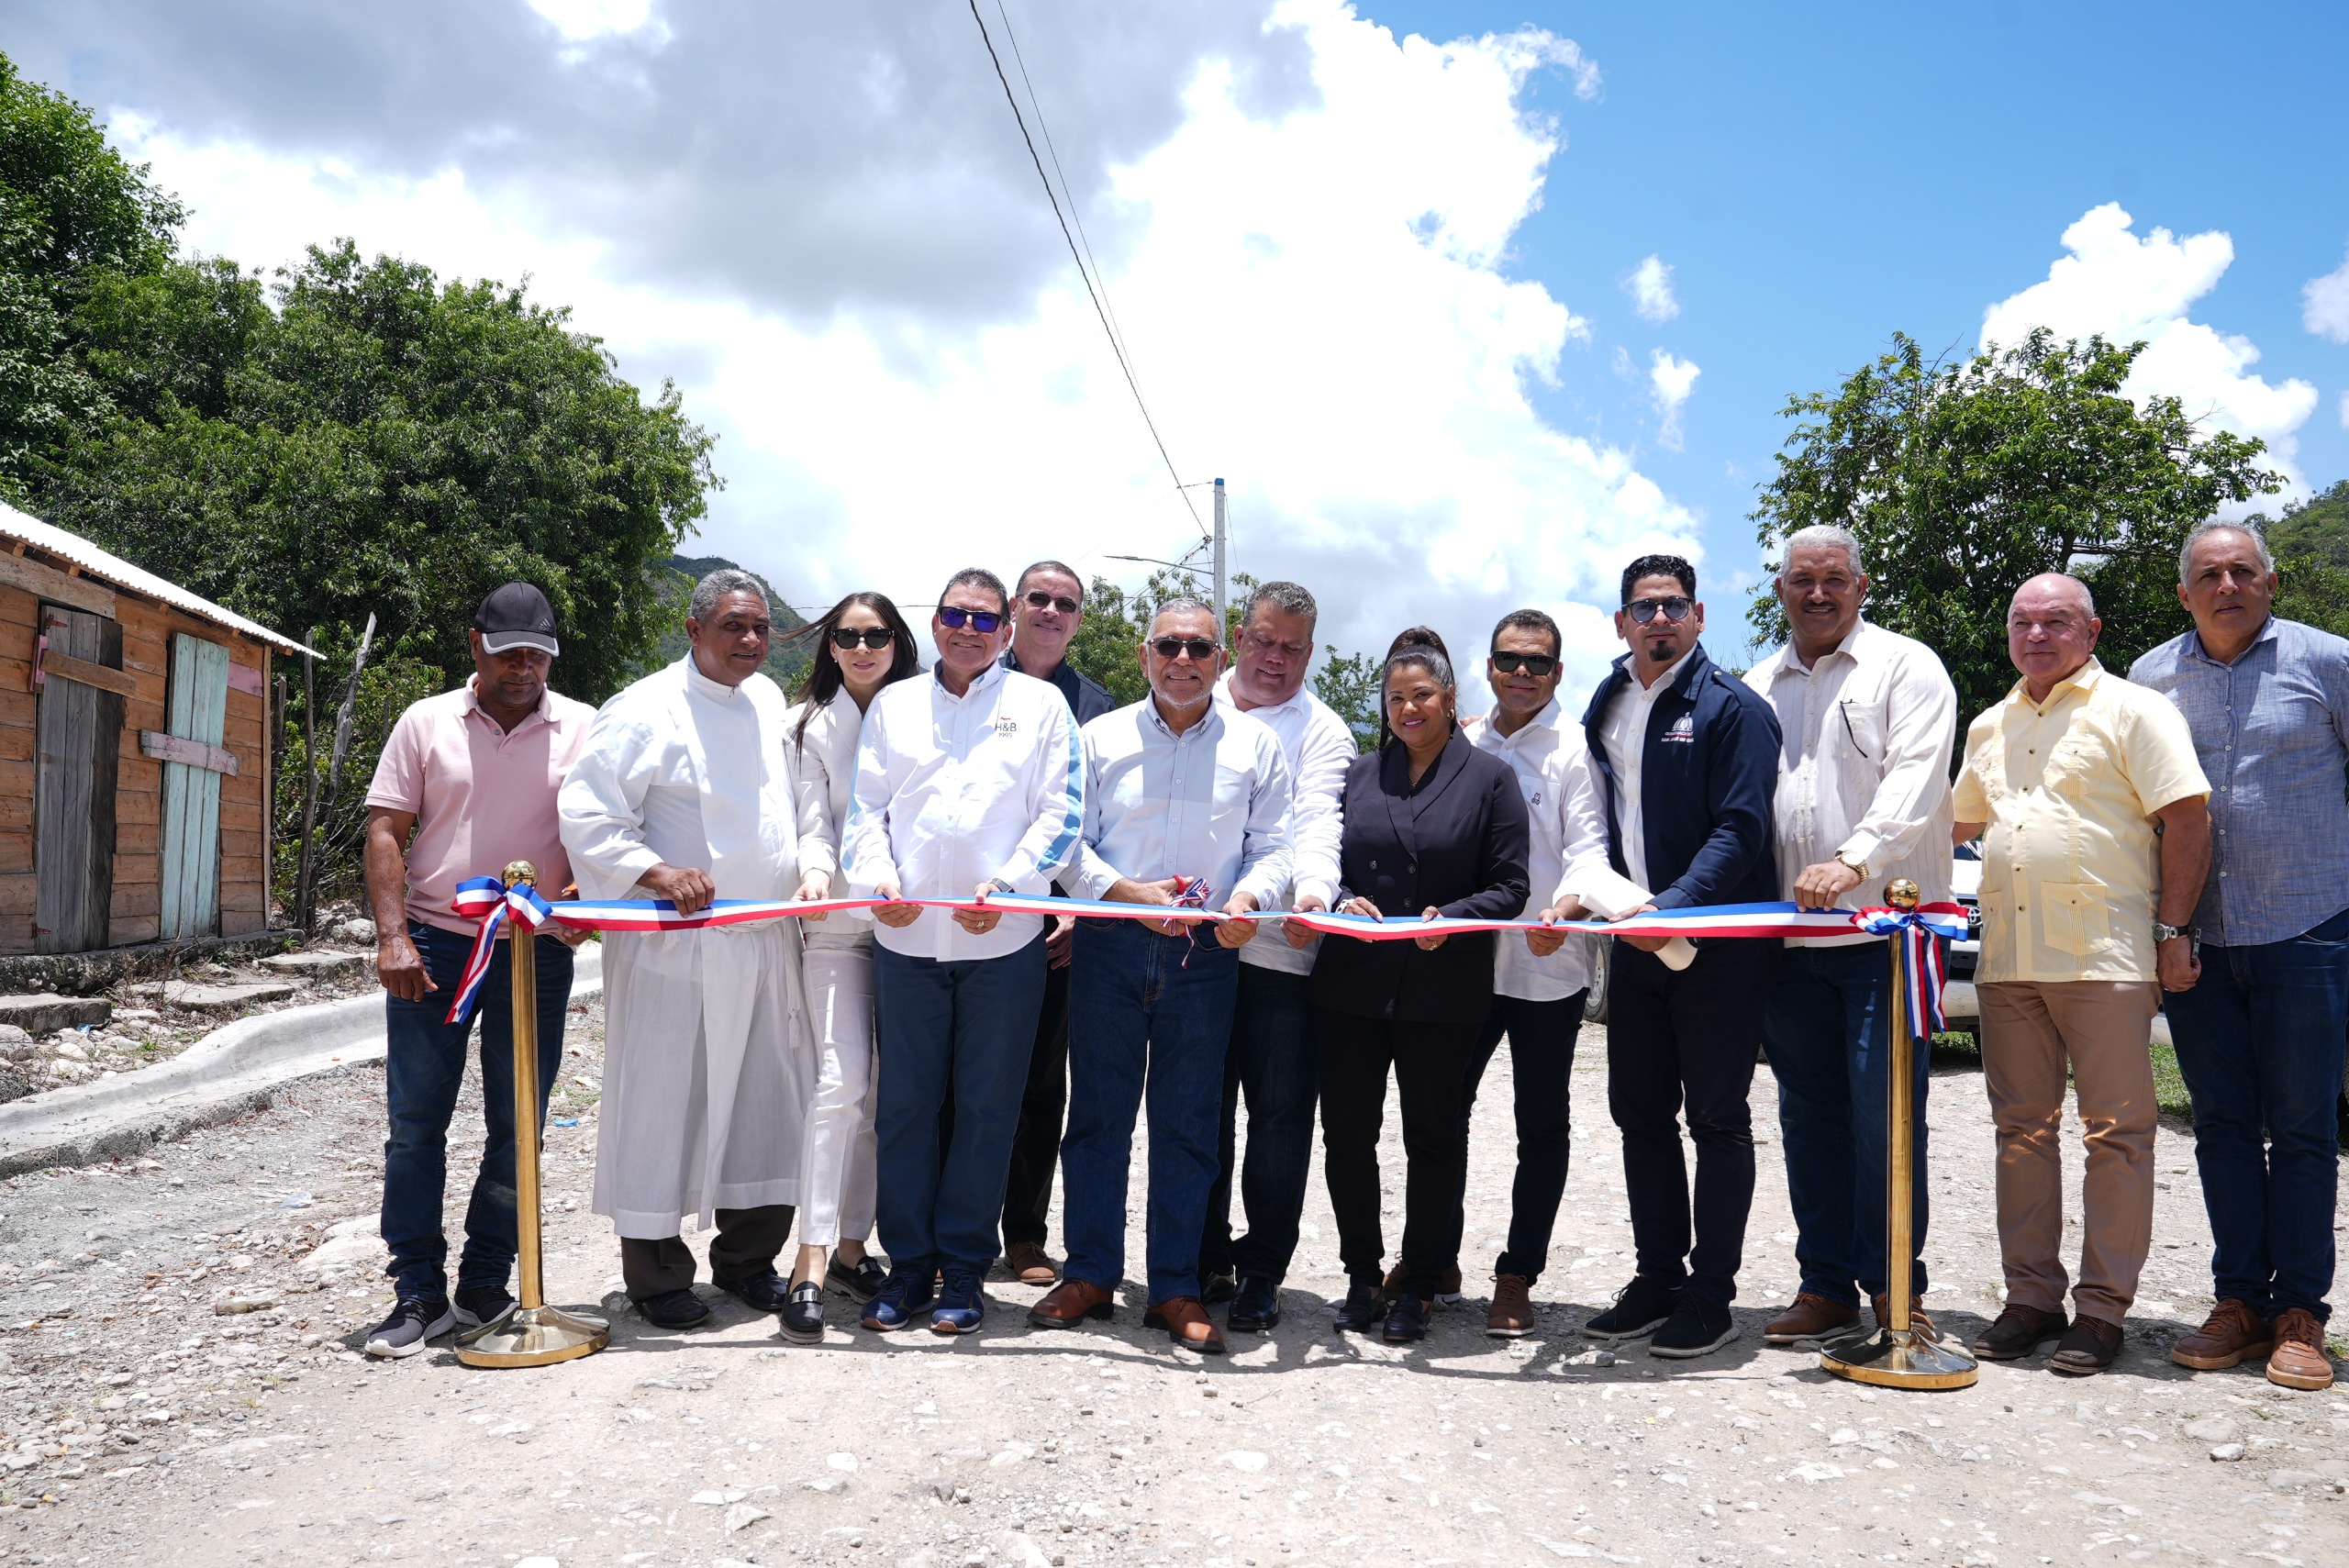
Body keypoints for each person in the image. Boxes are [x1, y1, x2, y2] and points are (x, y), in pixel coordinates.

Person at [1953, 573, 2210, 1376]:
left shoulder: (2135, 710)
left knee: (2118, 1135)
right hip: (2009, 963)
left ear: (2091, 631)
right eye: (2023, 622)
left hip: (2104, 957)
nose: (2037, 635)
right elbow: (1956, 823)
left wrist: (2174, 932)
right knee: (2020, 1133)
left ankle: (2101, 1310)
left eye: (2056, 621)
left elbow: (2188, 817)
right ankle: (2031, 1298)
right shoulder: (1988, 725)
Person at [1029, 601, 1292, 1352]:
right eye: (1169, 645)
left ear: (1221, 657)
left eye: (1199, 647)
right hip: (1109, 946)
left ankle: (1174, 1285)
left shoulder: (1257, 743)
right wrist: (1126, 896)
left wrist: (1250, 897)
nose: (1184, 658)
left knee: (1188, 1126)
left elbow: (1275, 846)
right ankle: (1090, 1272)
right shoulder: (1098, 737)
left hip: (1205, 956)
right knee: (1097, 1118)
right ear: (1145, 655)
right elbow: (1065, 842)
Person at [559, 569, 818, 1331]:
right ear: (693, 627)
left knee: (768, 1101)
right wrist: (658, 871)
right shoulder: (643, 708)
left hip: (764, 942)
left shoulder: (770, 701)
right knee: (664, 1102)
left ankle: (747, 1260)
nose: (750, 641)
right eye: (734, 626)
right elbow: (589, 811)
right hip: (676, 948)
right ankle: (658, 1272)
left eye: (761, 628)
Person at [2130, 522, 2349, 1392]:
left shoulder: (2328, 662)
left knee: (2302, 1127)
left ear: (2271, 581)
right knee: (2219, 1125)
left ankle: (2301, 1313)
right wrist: (2160, 930)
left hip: (2312, 928)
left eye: (2242, 571)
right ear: (2184, 592)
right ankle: (2239, 1303)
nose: (2227, 585)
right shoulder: (2150, 678)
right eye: (2209, 574)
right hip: (2198, 939)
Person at [841, 567, 1084, 1334]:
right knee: (906, 1108)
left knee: (986, 1110)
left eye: (984, 619)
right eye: (955, 614)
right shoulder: (896, 704)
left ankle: (966, 1271)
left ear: (1006, 630)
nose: (968, 629)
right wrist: (879, 880)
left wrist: (1013, 886)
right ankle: (909, 1265)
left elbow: (1063, 814)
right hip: (907, 939)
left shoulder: (1041, 707)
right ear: (936, 620)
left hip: (1003, 946)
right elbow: (865, 813)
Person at [358, 582, 596, 1356]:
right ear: (476, 647)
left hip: (536, 948)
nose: (524, 667)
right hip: (434, 944)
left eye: (539, 654)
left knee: (518, 1120)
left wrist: (591, 894)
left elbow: (610, 826)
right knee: (416, 1123)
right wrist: (392, 936)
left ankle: (488, 1282)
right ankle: (417, 1291)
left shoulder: (587, 729)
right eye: (509, 653)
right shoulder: (425, 722)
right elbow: (386, 830)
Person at [1743, 526, 1959, 1347]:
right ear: (1780, 592)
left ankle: (1897, 1289)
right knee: (1808, 1115)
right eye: (1803, 580)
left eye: (1835, 578)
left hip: (1884, 939)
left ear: (1861, 586)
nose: (1819, 593)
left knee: (1887, 1116)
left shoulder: (1908, 666)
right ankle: (1825, 1282)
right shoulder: (1755, 683)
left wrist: (1852, 858)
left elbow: (1916, 778)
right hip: (1790, 941)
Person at [1293, 629, 1530, 1345]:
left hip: (1443, 990)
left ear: (1450, 698)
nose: (1407, 708)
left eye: (1421, 694)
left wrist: (1454, 916)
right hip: (1350, 988)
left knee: (1433, 1136)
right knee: (1347, 1136)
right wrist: (1337, 899)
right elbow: (1324, 857)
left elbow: (1511, 886)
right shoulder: (1360, 775)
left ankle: (1421, 1280)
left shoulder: (1492, 778)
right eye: (1395, 697)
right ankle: (1363, 1275)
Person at [1577, 554, 1783, 1360]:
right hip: (1635, 944)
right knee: (1640, 1114)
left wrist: (1671, 905)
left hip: (1717, 945)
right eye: (1643, 607)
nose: (1658, 619)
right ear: (1621, 621)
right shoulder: (1610, 698)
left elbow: (1741, 829)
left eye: (1674, 606)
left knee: (1719, 1120)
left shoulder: (1734, 707)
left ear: (1700, 617)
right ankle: (1658, 1275)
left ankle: (1711, 1294)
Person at [1197, 583, 1356, 1332]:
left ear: (1311, 652)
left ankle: (1263, 1268)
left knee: (1279, 1120)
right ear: (1239, 633)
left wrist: (1315, 896)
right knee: (1196, 1114)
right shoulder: (1195, 693)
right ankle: (1200, 1256)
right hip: (1192, 949)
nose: (1274, 658)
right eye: (1264, 640)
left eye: (1292, 647)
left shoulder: (1323, 730)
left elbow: (1317, 820)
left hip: (1280, 956)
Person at [771, 591, 924, 1343]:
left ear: (898, 641)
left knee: (883, 1097)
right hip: (835, 925)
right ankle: (810, 1255)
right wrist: (815, 874)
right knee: (839, 1084)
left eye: (876, 634)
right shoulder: (805, 726)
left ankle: (856, 1243)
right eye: (847, 635)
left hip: (913, 927)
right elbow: (811, 820)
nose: (862, 646)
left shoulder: (927, 715)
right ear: (829, 645)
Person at [1464, 607, 1610, 1337]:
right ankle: (1427, 1263)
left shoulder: (1575, 751)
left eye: (1537, 662)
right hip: (1463, 964)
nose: (1522, 672)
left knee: (1540, 1125)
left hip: (1548, 966)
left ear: (1558, 672)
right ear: (1488, 665)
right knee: (1438, 1113)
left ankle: (1517, 1273)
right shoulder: (1462, 741)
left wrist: (1573, 904)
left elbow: (1589, 847)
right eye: (1509, 658)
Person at [995, 560, 1116, 1285]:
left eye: (1064, 603)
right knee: (964, 1084)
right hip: (973, 912)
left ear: (1077, 619)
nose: (1049, 610)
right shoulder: (972, 679)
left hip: (1054, 923)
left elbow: (1096, 824)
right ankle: (960, 1232)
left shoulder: (1096, 708)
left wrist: (1076, 906)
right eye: (1037, 597)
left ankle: (1026, 1233)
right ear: (1015, 605)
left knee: (1042, 1085)